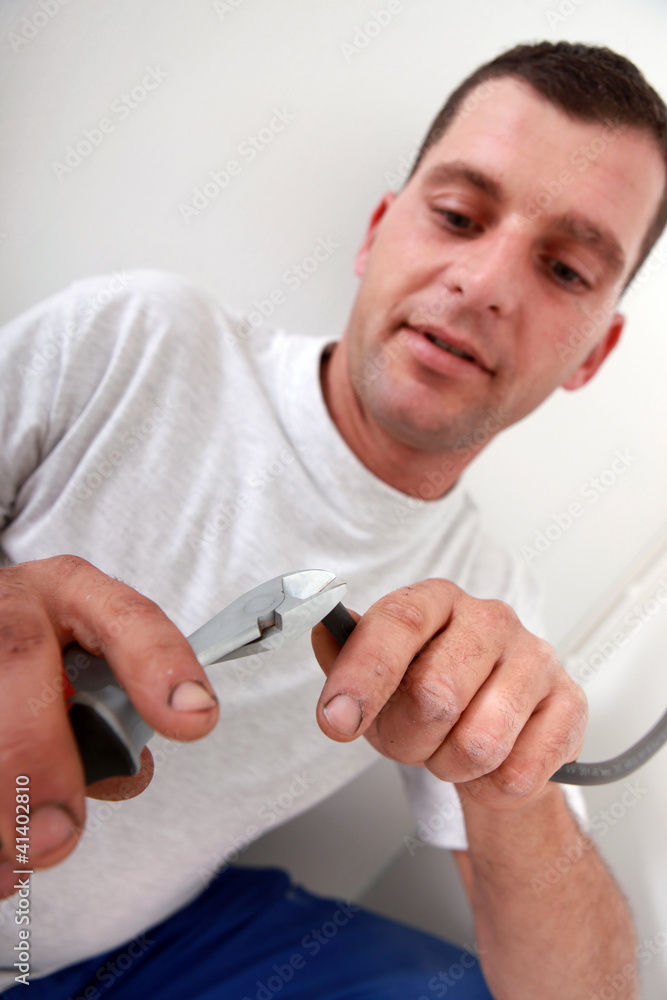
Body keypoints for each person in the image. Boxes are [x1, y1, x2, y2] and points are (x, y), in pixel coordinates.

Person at [0, 39, 665, 1000]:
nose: (483, 283)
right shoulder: (134, 339)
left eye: (562, 269)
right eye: (455, 215)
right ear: (377, 231)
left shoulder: (487, 607)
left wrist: (506, 786)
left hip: (122, 959)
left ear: (590, 356)